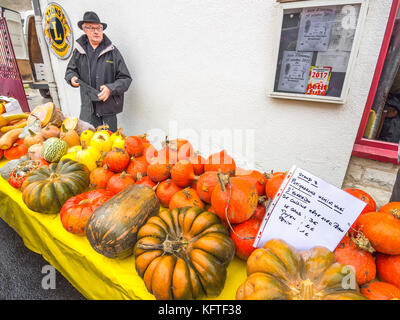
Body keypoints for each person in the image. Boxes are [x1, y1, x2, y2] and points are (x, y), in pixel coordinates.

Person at [65, 11, 132, 132]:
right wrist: (72, 77)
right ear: (84, 29)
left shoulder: (112, 52)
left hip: (108, 107)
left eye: (98, 28)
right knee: (89, 141)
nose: (96, 31)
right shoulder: (79, 51)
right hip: (88, 107)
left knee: (109, 141)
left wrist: (110, 88)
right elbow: (70, 70)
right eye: (91, 28)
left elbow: (126, 79)